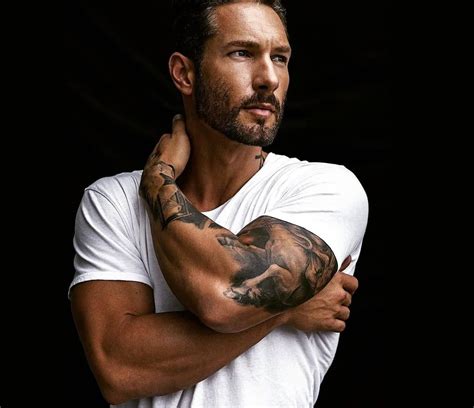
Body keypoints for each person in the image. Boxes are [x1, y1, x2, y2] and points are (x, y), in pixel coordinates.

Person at [69, 0, 369, 407]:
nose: (268, 78)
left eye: (279, 58)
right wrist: (284, 309)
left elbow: (226, 296)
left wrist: (158, 184)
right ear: (184, 73)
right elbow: (119, 368)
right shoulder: (113, 201)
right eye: (242, 53)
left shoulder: (325, 188)